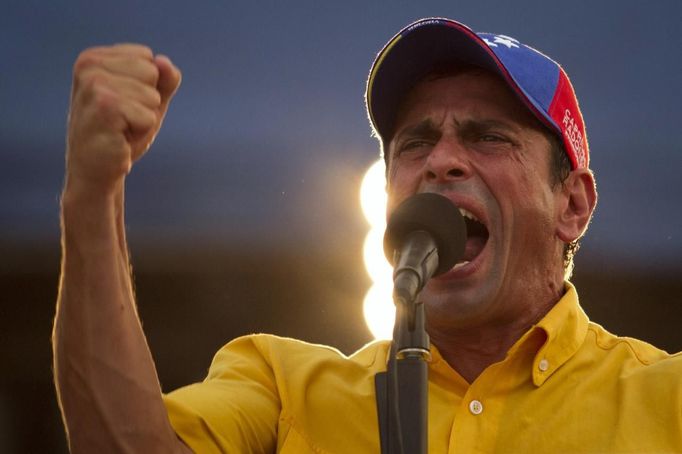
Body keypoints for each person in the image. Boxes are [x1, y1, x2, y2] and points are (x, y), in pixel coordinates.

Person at [53, 17, 681, 453]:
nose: (441, 161)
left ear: (572, 204)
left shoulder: (667, 399)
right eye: (415, 143)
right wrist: (93, 194)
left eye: (488, 136)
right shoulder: (282, 387)